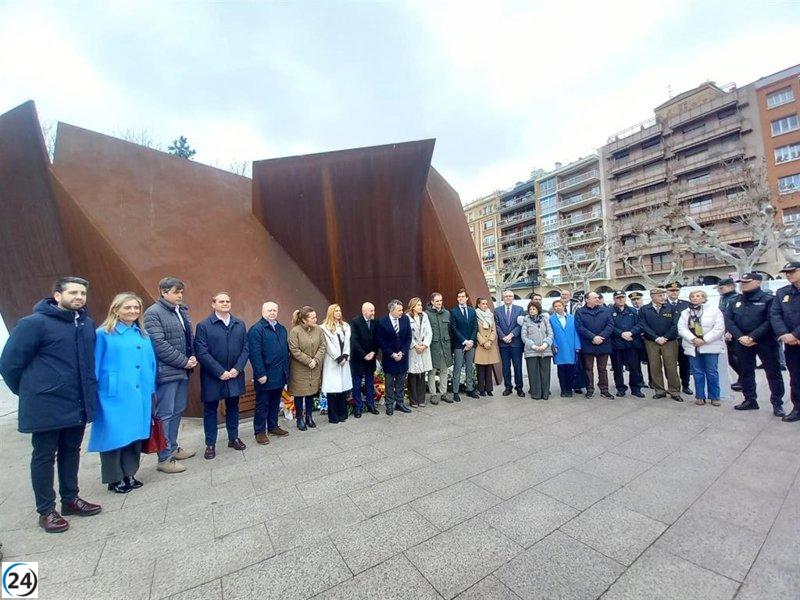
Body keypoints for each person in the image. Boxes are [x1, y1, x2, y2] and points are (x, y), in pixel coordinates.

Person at [0, 276, 102, 533]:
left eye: (82, 293)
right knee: (44, 456)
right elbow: (10, 364)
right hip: (47, 404)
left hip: (76, 402)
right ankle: (46, 510)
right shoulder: (35, 324)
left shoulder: (86, 324)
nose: (79, 297)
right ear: (57, 295)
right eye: (73, 292)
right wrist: (31, 393)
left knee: (71, 450)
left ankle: (70, 499)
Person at [89, 292, 155, 493]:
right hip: (114, 394)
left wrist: (151, 389)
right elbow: (94, 365)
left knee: (135, 435)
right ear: (116, 309)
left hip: (140, 393)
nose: (133, 311)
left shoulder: (142, 334)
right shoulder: (104, 334)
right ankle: (113, 478)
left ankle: (130, 473)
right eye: (128, 307)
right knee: (114, 436)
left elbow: (151, 363)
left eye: (136, 308)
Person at [144, 276, 196, 473]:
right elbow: (159, 344)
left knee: (177, 410)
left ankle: (173, 447)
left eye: (181, 292)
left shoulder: (180, 311)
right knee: (165, 413)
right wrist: (184, 360)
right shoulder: (153, 314)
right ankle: (164, 457)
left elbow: (187, 338)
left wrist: (191, 358)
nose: (180, 295)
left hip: (182, 370)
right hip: (167, 373)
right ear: (164, 292)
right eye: (176, 292)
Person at [195, 292, 249, 459]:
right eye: (221, 301)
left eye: (227, 301)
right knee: (210, 410)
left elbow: (246, 348)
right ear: (213, 304)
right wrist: (220, 372)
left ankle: (233, 438)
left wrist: (237, 369)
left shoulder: (239, 323)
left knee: (233, 407)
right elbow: (202, 353)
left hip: (234, 374)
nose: (225, 303)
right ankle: (210, 444)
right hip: (213, 376)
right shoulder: (204, 326)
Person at [723, 273, 785, 416]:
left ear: (758, 282)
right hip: (742, 342)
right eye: (741, 282)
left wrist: (752, 337)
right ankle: (750, 399)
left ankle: (777, 403)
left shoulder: (769, 299)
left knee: (773, 373)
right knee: (746, 372)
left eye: (746, 282)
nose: (742, 284)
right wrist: (740, 337)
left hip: (765, 342)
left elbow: (771, 321)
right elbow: (728, 320)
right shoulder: (736, 300)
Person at [247, 301, 290, 444]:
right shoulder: (256, 329)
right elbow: (255, 353)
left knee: (275, 402)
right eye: (269, 310)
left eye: (275, 310)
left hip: (280, 373)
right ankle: (259, 432)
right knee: (262, 404)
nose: (272, 312)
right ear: (263, 312)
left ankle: (273, 426)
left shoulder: (282, 329)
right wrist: (260, 374)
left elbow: (285, 351)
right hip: (265, 375)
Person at [677, 289, 725, 406]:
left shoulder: (714, 311)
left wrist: (704, 339)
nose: (695, 298)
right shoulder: (685, 312)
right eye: (693, 296)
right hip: (692, 345)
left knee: (711, 372)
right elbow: (681, 328)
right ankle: (700, 396)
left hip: (710, 345)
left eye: (698, 296)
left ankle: (714, 396)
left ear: (704, 298)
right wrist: (693, 339)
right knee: (697, 372)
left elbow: (719, 328)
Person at [638, 288, 683, 402]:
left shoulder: (671, 307)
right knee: (655, 367)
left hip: (669, 341)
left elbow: (675, 324)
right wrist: (656, 338)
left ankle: (674, 391)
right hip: (652, 342)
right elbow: (643, 325)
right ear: (652, 296)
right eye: (660, 296)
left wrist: (665, 337)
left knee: (671, 367)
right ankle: (659, 391)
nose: (663, 297)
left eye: (663, 295)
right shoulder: (644, 309)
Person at [769, 261, 800, 422]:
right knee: (795, 377)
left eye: (792, 271)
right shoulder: (782, 292)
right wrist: (784, 334)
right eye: (786, 272)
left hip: (795, 337)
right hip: (790, 343)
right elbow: (775, 314)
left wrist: (796, 334)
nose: (788, 274)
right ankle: (798, 408)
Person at [288, 306, 325, 430]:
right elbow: (294, 349)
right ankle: (300, 419)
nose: (315, 319)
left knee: (311, 393)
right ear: (304, 319)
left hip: (314, 367)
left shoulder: (318, 330)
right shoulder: (295, 331)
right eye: (312, 317)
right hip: (299, 368)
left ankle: (309, 417)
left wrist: (316, 360)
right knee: (299, 394)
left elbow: (322, 346)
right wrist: (309, 361)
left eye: (315, 317)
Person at [376, 299, 412, 414]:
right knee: (389, 383)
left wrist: (403, 352)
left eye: (402, 310)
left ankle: (400, 403)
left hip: (402, 357)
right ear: (392, 310)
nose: (402, 312)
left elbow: (408, 337)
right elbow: (381, 341)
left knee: (401, 382)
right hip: (389, 358)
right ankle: (389, 405)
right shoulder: (382, 322)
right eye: (399, 310)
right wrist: (391, 353)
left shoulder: (405, 319)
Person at [574, 292, 614, 399]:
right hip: (588, 344)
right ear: (587, 300)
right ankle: (589, 389)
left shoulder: (605, 310)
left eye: (598, 297)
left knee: (603, 368)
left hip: (603, 343)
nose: (598, 299)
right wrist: (592, 337)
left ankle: (604, 389)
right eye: (595, 297)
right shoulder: (580, 312)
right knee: (588, 368)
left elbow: (610, 325)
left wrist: (601, 337)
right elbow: (579, 327)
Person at [321, 304, 353, 423]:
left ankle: (342, 414)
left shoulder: (345, 326)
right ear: (331, 313)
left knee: (342, 389)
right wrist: (338, 357)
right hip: (332, 362)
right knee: (332, 389)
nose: (339, 313)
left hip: (344, 361)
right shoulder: (324, 327)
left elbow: (348, 343)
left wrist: (345, 355)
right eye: (336, 311)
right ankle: (333, 416)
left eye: (339, 310)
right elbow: (328, 345)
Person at [609, 291, 645, 398]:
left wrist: (631, 332)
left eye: (622, 297)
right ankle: (620, 388)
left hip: (632, 343)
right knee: (617, 369)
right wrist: (621, 333)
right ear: (614, 299)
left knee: (635, 368)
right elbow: (609, 325)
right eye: (618, 298)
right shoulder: (609, 311)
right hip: (617, 345)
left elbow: (640, 324)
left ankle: (636, 388)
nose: (620, 299)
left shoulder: (633, 311)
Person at [349, 302, 379, 417]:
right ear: (364, 311)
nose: (373, 313)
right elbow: (354, 341)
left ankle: (371, 404)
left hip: (371, 358)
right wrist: (363, 355)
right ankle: (358, 407)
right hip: (358, 359)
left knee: (369, 383)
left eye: (373, 310)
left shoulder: (375, 322)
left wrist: (373, 352)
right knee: (356, 384)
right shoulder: (355, 322)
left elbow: (377, 338)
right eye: (371, 311)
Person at [519, 301, 553, 400]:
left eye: (534, 309)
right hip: (531, 351)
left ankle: (545, 393)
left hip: (545, 350)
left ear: (538, 310)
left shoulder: (545, 320)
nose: (532, 311)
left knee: (545, 373)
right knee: (533, 373)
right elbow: (524, 336)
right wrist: (533, 346)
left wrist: (545, 344)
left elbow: (550, 333)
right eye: (530, 309)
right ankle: (536, 394)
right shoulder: (526, 321)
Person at [450, 288, 480, 401]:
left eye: (463, 296)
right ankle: (455, 392)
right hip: (459, 344)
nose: (461, 298)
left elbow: (475, 327)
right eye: (459, 297)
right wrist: (465, 342)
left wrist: (471, 341)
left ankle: (469, 389)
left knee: (469, 367)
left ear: (467, 298)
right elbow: (454, 328)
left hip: (471, 344)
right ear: (457, 299)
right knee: (457, 368)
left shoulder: (472, 311)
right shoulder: (453, 311)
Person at [495, 290, 525, 397]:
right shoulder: (497, 310)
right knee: (506, 367)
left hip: (516, 343)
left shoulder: (520, 309)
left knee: (518, 366)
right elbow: (496, 325)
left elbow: (520, 325)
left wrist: (511, 335)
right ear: (503, 298)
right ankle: (508, 387)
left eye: (510, 296)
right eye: (506, 296)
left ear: (513, 298)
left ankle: (519, 388)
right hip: (503, 344)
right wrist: (503, 337)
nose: (508, 298)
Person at [550, 299, 581, 397]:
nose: (557, 308)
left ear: (563, 307)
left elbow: (576, 332)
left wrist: (577, 346)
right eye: (555, 306)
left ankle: (569, 389)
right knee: (561, 370)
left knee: (571, 370)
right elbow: (551, 334)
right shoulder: (551, 319)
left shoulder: (571, 318)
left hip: (571, 347)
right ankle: (563, 390)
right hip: (559, 347)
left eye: (559, 306)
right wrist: (554, 345)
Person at [666, 283, 693, 395]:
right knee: (669, 364)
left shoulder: (686, 304)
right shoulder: (663, 304)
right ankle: (672, 386)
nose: (674, 292)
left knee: (685, 363)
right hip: (669, 339)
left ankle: (686, 385)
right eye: (671, 290)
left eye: (676, 290)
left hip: (683, 339)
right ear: (667, 291)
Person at [426, 293, 453, 404]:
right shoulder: (427, 314)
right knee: (432, 371)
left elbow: (450, 330)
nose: (439, 303)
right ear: (432, 302)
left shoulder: (447, 313)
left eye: (441, 300)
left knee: (444, 370)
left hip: (445, 346)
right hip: (433, 347)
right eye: (437, 301)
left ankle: (443, 393)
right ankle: (433, 394)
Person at [716, 278, 742, 391]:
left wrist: (730, 331)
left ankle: (744, 380)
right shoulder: (723, 298)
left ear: (731, 287)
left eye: (721, 288)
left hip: (735, 332)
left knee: (737, 358)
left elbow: (736, 317)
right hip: (726, 331)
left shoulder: (736, 298)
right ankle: (742, 378)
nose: (719, 291)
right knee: (731, 358)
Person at [406, 297, 432, 407]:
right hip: (413, 350)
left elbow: (429, 332)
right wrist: (415, 346)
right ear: (412, 306)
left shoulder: (424, 316)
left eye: (421, 305)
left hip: (424, 349)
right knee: (413, 374)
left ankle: (421, 400)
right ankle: (413, 400)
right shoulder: (407, 317)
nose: (421, 307)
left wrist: (425, 345)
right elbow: (407, 334)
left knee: (422, 374)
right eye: (418, 305)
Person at [475, 297, 500, 396]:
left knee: (489, 368)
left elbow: (494, 329)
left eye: (486, 303)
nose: (485, 305)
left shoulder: (490, 315)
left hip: (490, 345)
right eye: (483, 303)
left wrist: (490, 341)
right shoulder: (475, 315)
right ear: (478, 305)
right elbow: (475, 331)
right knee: (480, 369)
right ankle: (481, 389)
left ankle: (489, 389)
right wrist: (483, 342)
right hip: (481, 345)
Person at [629, 291, 653, 388]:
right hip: (636, 340)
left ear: (642, 299)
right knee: (636, 363)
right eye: (633, 300)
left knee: (651, 362)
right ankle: (640, 381)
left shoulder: (648, 309)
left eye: (638, 299)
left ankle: (652, 381)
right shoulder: (630, 311)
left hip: (648, 339)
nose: (636, 301)